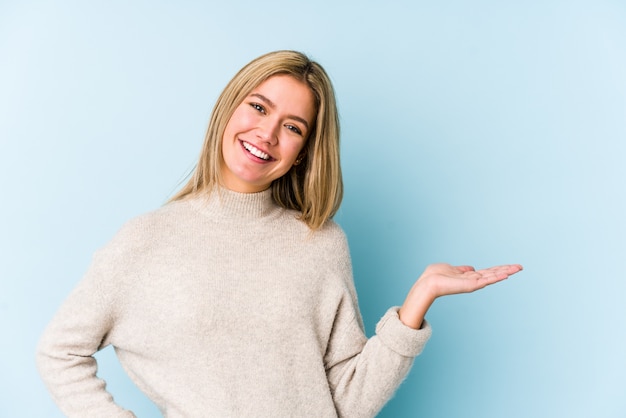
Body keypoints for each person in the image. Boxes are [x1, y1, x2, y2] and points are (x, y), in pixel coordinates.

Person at [36, 50, 522, 418]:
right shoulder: (146, 240)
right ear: (229, 109)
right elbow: (60, 350)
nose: (267, 135)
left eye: (292, 126)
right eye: (258, 108)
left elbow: (346, 402)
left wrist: (418, 303)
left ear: (305, 151)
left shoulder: (321, 243)